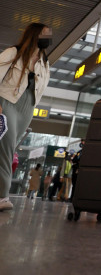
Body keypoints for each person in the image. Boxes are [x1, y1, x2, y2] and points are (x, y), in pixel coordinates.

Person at [0, 23, 52, 212]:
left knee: (10, 147)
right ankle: (2, 196)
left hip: (27, 108)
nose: (49, 37)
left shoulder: (44, 62)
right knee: (5, 150)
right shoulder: (14, 52)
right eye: (46, 33)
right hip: (7, 102)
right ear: (35, 34)